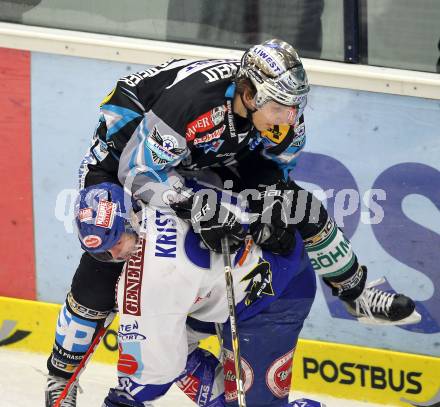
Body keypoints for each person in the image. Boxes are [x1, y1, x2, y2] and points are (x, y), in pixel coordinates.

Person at [45, 38, 420, 406]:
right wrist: (192, 205)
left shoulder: (277, 113)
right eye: (280, 106)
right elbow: (138, 171)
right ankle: (60, 378)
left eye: (294, 106)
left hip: (206, 153)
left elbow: (278, 168)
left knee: (298, 206)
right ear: (250, 92)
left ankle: (356, 294)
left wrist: (272, 198)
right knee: (106, 246)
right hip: (125, 154)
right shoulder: (192, 105)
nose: (290, 117)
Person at [79, 182, 320, 407]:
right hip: (219, 286)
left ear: (131, 219)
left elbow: (151, 375)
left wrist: (122, 400)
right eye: (101, 253)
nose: (113, 256)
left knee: (160, 349)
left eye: (117, 242)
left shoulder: (153, 280)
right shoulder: (153, 190)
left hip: (275, 291)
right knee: (171, 342)